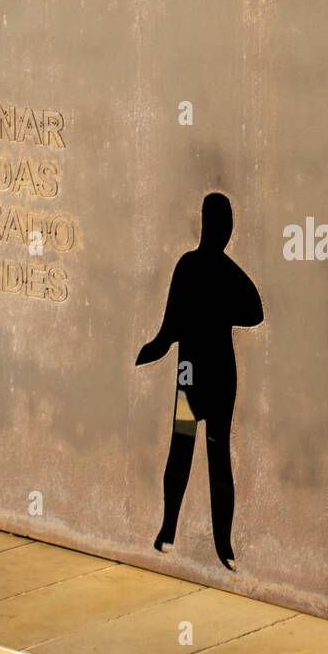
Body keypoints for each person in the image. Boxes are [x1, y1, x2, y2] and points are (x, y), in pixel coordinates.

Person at [136, 193, 263, 571]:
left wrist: (208, 314)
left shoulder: (219, 270)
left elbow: (255, 311)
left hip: (212, 375)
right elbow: (171, 321)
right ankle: (169, 529)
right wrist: (157, 345)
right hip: (192, 374)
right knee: (184, 449)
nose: (221, 230)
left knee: (215, 455)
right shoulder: (192, 266)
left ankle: (221, 543)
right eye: (217, 222)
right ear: (209, 224)